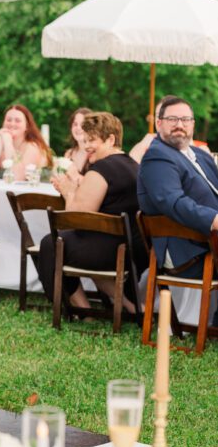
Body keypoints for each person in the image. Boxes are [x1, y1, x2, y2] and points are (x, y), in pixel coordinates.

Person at [37, 111, 147, 314]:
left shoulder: (101, 169)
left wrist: (68, 191)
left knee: (50, 243)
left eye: (92, 140)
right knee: (74, 242)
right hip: (136, 248)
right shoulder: (134, 166)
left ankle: (83, 310)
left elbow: (74, 219)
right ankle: (134, 308)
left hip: (109, 251)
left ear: (111, 139)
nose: (86, 146)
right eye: (85, 140)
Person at [138, 96, 218, 278]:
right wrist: (214, 219)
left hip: (210, 243)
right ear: (159, 124)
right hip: (188, 249)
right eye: (172, 119)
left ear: (193, 124)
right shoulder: (157, 156)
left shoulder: (200, 155)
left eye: (186, 119)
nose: (179, 124)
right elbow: (172, 201)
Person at [0, 103, 50, 179]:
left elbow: (17, 177)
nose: (12, 124)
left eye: (17, 121)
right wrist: (0, 143)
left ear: (27, 126)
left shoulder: (33, 147)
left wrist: (8, 142)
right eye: (8, 120)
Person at [64, 107, 92, 174]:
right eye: (75, 124)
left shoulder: (95, 155)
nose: (78, 128)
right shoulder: (68, 154)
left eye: (83, 124)